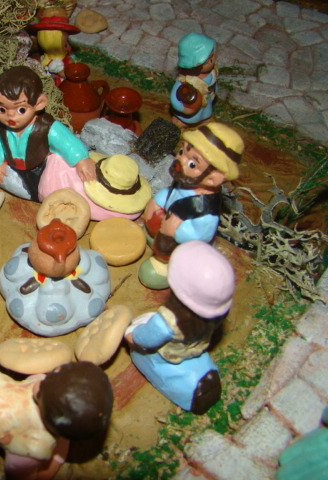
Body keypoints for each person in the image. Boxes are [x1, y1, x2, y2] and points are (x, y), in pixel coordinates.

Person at [126, 241, 235, 414]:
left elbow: (146, 338)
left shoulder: (167, 322)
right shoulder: (214, 314)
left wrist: (132, 334)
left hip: (167, 353)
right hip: (196, 347)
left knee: (140, 344)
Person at [138, 122, 243, 289]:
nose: (180, 161)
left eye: (193, 164)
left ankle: (166, 265)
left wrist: (177, 230)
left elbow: (200, 235)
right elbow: (171, 193)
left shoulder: (205, 210)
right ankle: (152, 238)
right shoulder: (187, 179)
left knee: (150, 274)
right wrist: (158, 200)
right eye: (181, 152)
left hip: (181, 248)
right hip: (163, 230)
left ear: (213, 178)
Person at [0, 65, 96, 201]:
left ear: (39, 104)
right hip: (13, 165)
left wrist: (81, 159)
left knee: (42, 188)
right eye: (2, 109)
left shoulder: (46, 127)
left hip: (39, 166)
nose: (10, 116)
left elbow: (66, 141)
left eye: (21, 110)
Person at [170, 32, 217, 128]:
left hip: (206, 102)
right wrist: (184, 109)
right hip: (192, 109)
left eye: (213, 56)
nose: (214, 60)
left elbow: (213, 83)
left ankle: (203, 120)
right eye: (209, 60)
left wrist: (214, 91)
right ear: (196, 65)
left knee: (204, 113)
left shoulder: (212, 72)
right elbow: (174, 98)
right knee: (190, 118)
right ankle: (181, 121)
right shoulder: (186, 82)